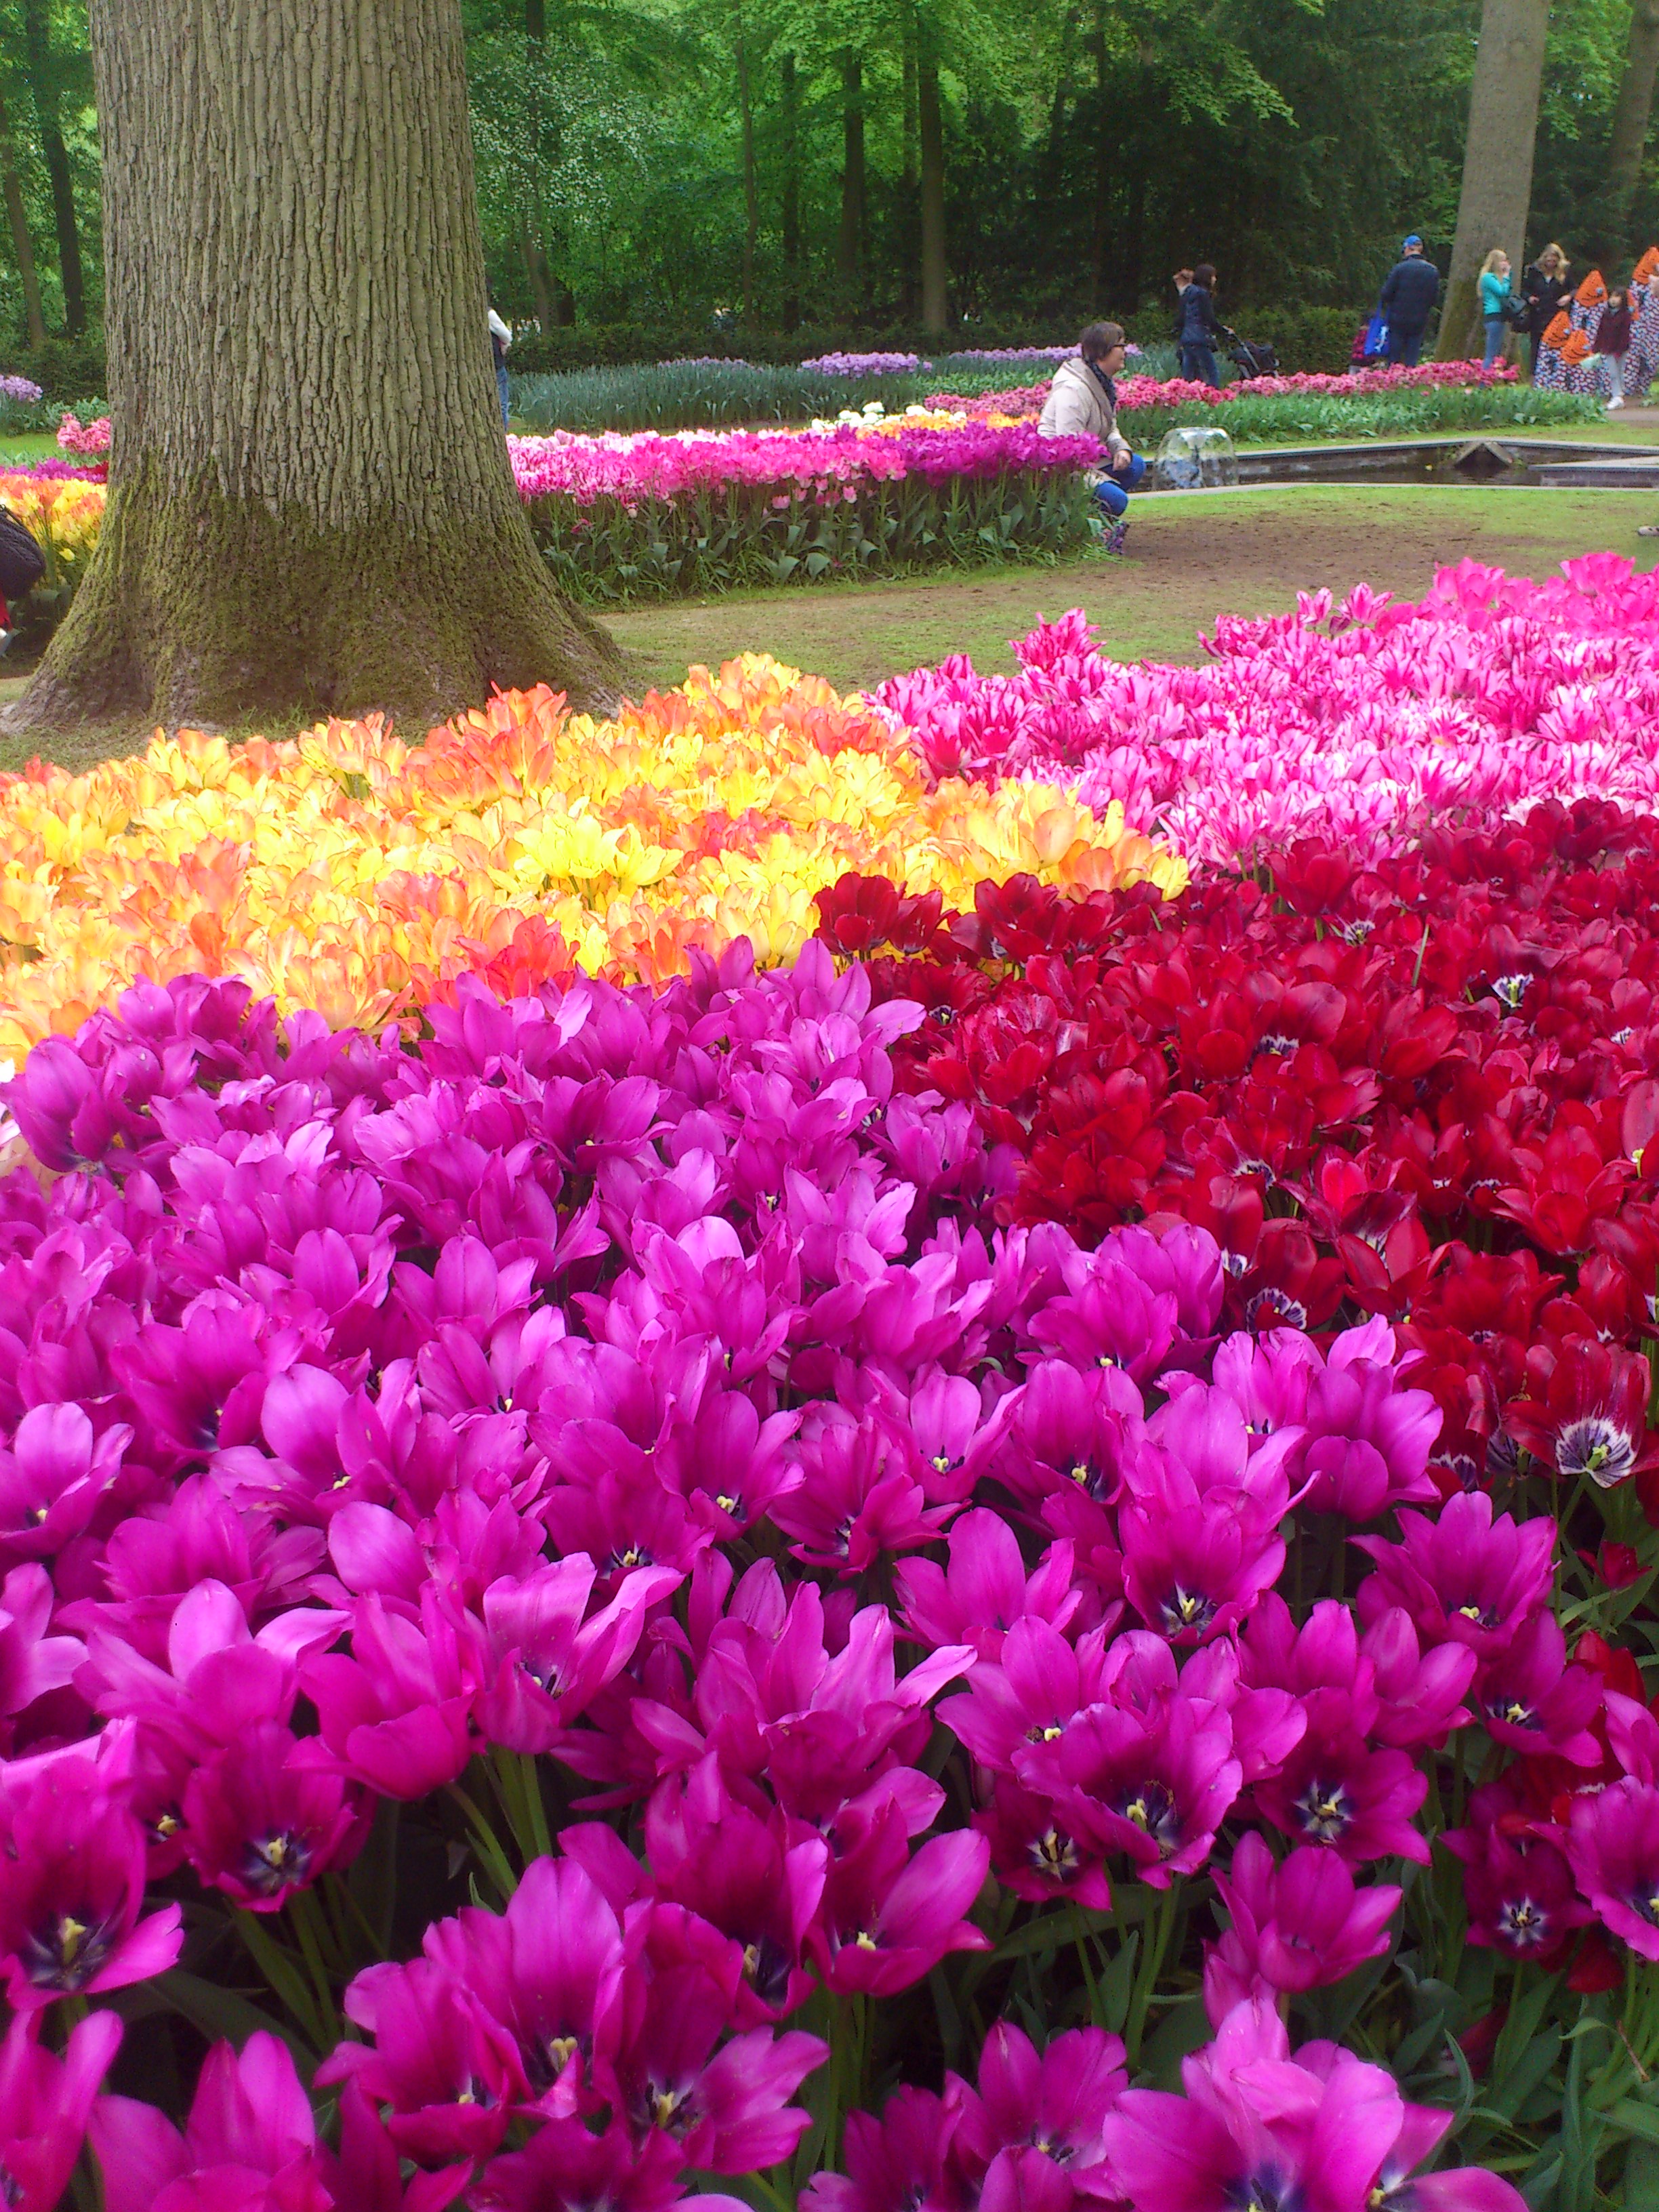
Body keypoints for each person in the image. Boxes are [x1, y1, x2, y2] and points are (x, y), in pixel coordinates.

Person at [1038, 321, 1146, 554]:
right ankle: (1088, 528)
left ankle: (1094, 523)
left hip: (1088, 461)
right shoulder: (1074, 390)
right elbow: (1067, 448)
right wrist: (1100, 480)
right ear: (1102, 351)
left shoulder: (1103, 384)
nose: (1125, 351)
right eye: (1120, 345)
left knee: (1135, 465)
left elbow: (1111, 428)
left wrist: (1120, 449)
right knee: (1117, 500)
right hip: (1063, 470)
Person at [1377, 236, 1439, 366]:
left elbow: (1386, 293)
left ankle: (1393, 374)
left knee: (1395, 356)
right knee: (1412, 355)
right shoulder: (1432, 271)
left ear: (1407, 248)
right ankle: (1410, 374)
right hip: (1419, 319)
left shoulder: (1400, 269)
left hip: (1398, 318)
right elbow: (1434, 298)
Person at [1521, 245, 1573, 379]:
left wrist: (1568, 297)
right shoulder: (1534, 272)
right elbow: (1525, 290)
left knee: (1556, 345)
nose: (1550, 262)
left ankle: (1555, 374)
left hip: (1556, 314)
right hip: (1538, 314)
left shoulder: (1565, 273)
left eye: (1554, 259)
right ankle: (1534, 376)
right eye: (1548, 259)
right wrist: (1529, 298)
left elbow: (1574, 289)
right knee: (1536, 345)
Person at [1176, 266, 1224, 387]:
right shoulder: (1203, 294)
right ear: (1207, 277)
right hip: (1200, 337)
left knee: (1188, 374)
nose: (1215, 279)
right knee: (1212, 372)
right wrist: (1223, 331)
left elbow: (1181, 318)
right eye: (1213, 276)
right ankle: (1214, 394)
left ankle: (1184, 394)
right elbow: (1209, 318)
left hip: (1187, 338)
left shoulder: (1187, 293)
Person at [1595, 284, 1634, 409]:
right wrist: (1596, 347)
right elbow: (1600, 331)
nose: (1613, 299)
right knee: (1613, 373)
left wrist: (1620, 350)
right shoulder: (1606, 314)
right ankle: (1617, 395)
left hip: (1621, 349)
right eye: (1611, 296)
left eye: (1617, 297)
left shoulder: (1625, 315)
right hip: (1608, 348)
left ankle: (1619, 396)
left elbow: (1625, 334)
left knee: (1619, 371)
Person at [1478, 249, 1513, 369]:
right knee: (1491, 353)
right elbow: (1502, 292)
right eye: (1503, 260)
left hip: (1499, 316)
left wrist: (1507, 276)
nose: (1506, 263)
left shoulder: (1497, 278)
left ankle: (1489, 376)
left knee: (1495, 351)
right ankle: (1484, 377)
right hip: (1493, 315)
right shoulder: (1488, 277)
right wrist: (1506, 276)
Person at [489, 304, 513, 428]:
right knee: (502, 403)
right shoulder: (489, 314)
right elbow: (507, 336)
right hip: (496, 364)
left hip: (493, 365)